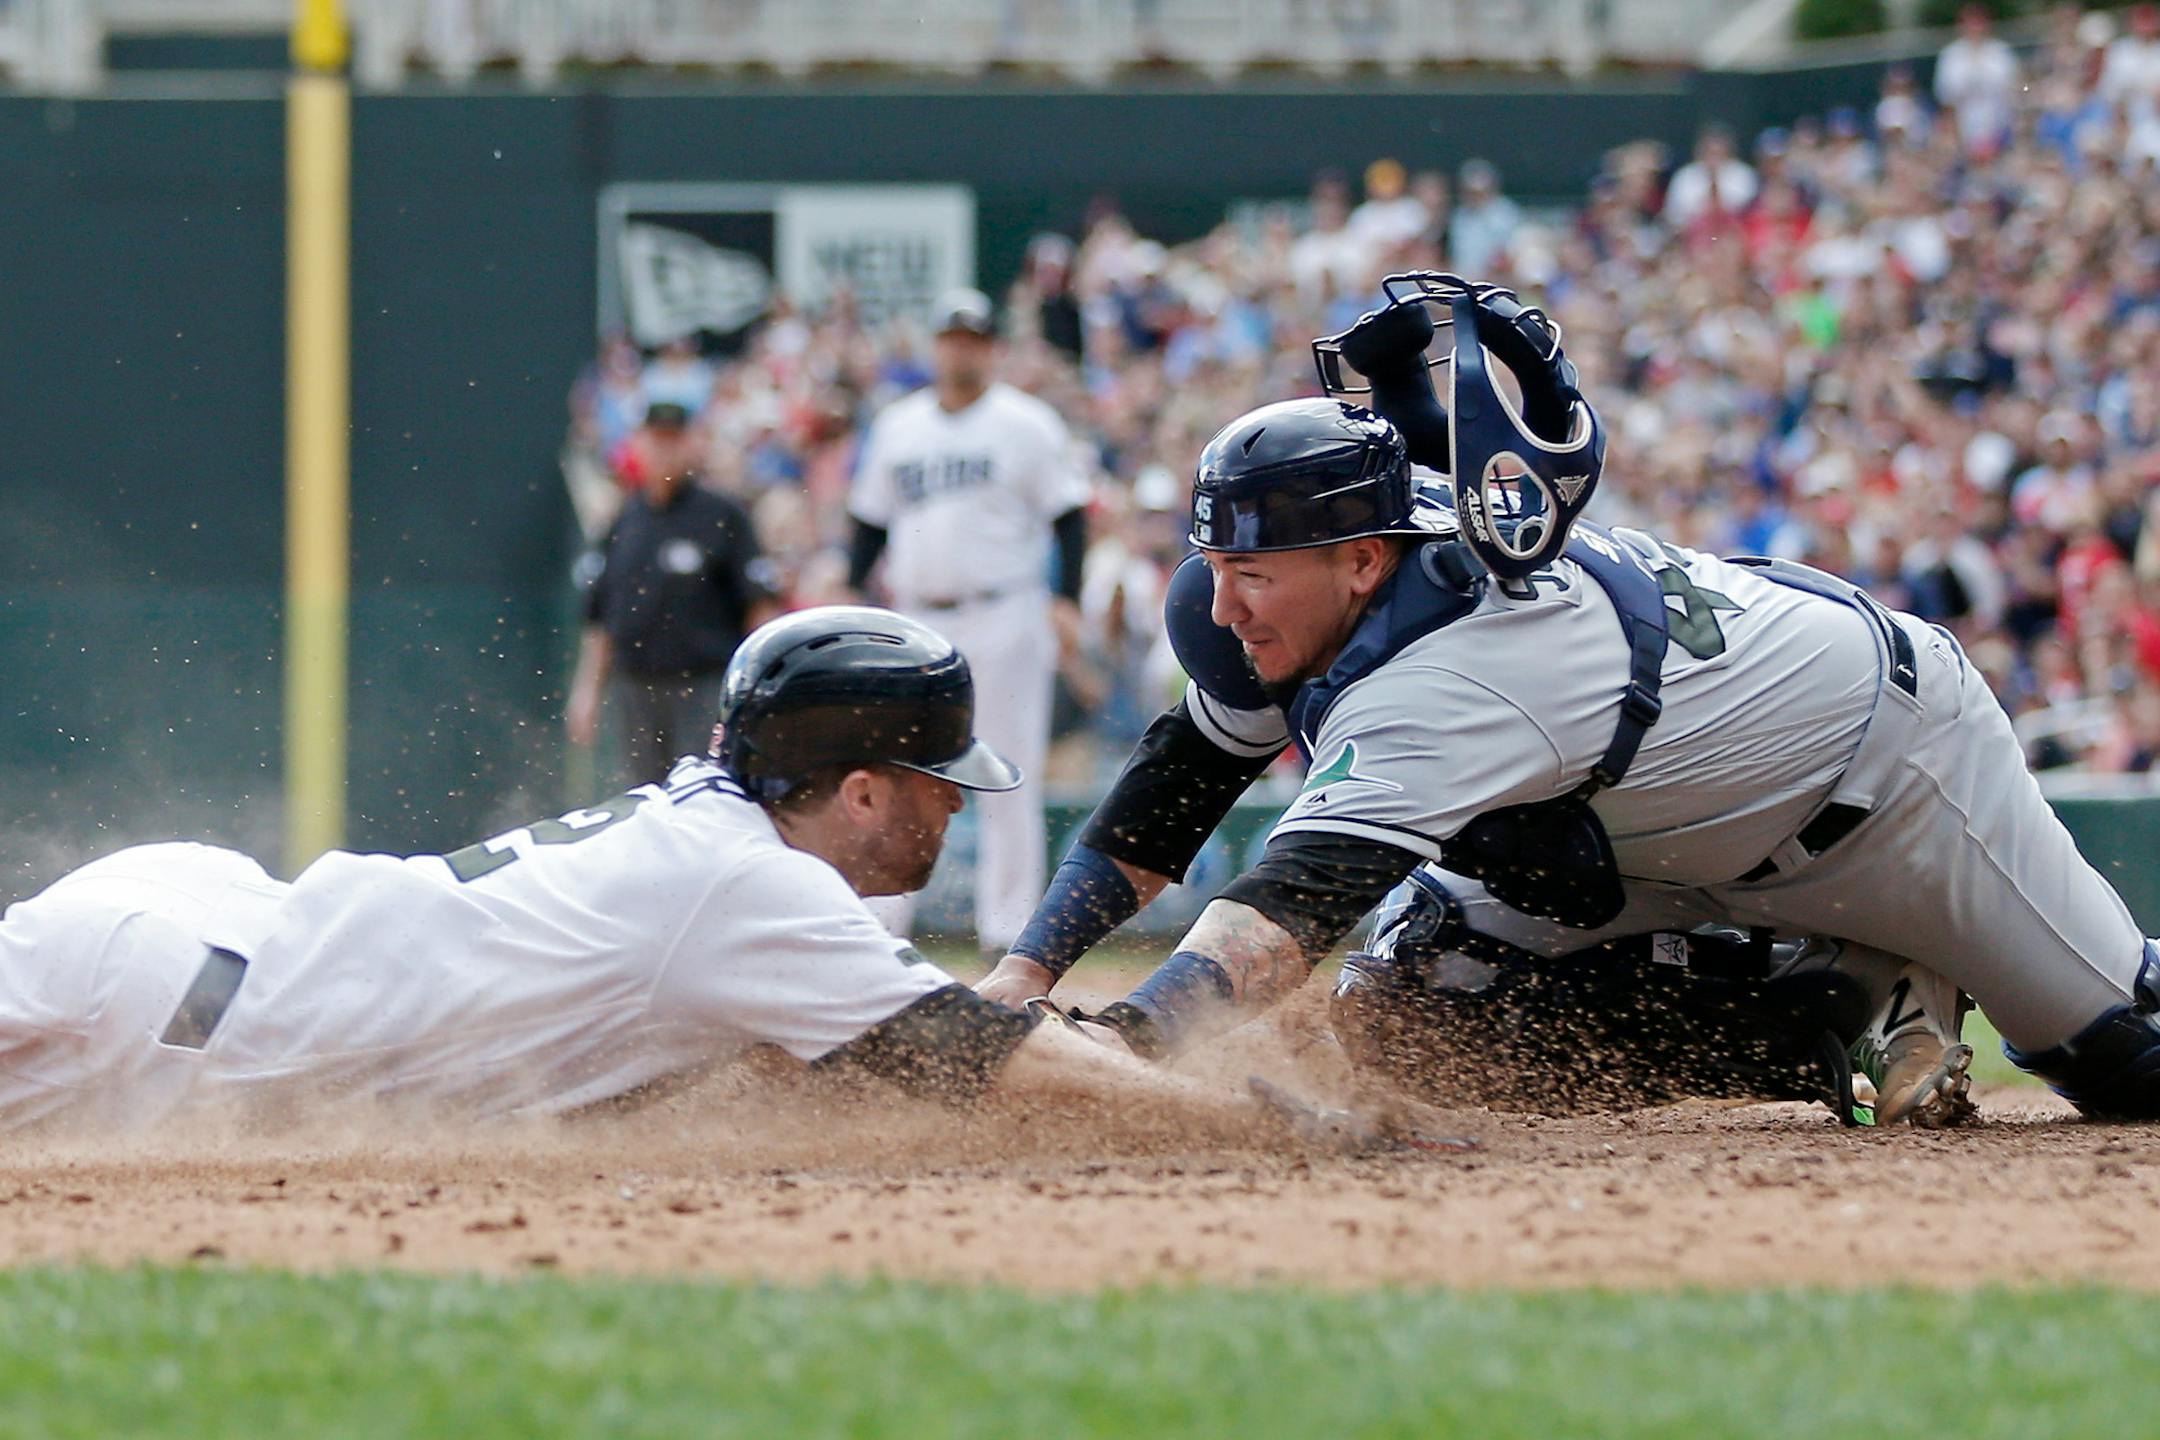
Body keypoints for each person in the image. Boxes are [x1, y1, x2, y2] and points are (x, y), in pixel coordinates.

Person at [980, 278, 2160, 1129]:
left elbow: (1285, 910)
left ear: (1362, 561)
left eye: (1256, 570)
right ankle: (1840, 1003)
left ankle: (1915, 950)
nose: (1224, 603)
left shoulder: (1465, 663)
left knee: (2128, 1067)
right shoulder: (1306, 591)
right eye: (1219, 565)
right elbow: (1175, 791)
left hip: (1889, 786)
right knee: (1416, 1006)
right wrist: (1017, 985)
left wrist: (1124, 1045)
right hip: (1664, 816)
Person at [0, 608, 1270, 1135]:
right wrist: (1252, 1126)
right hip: (178, 1010)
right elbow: (982, 1060)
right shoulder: (753, 891)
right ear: (865, 789)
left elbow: (873, 1054)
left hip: (202, 927)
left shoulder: (713, 835)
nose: (953, 806)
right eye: (943, 782)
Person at [846, 288, 1093, 958]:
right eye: (951, 338)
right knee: (899, 773)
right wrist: (845, 587)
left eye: (973, 339)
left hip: (1005, 609)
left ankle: (1008, 934)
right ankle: (880, 933)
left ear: (991, 348)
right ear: (935, 346)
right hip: (918, 618)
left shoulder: (1027, 423)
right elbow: (868, 523)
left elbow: (1069, 516)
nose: (961, 349)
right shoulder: (899, 425)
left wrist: (1066, 596)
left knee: (1009, 774)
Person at [568, 401, 776, 785]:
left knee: (700, 795)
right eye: (656, 440)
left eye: (674, 440)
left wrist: (756, 693)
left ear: (692, 444)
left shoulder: (723, 514)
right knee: (644, 800)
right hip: (634, 687)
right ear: (639, 445)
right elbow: (599, 618)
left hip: (704, 687)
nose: (664, 450)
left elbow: (758, 608)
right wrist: (586, 692)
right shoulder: (623, 521)